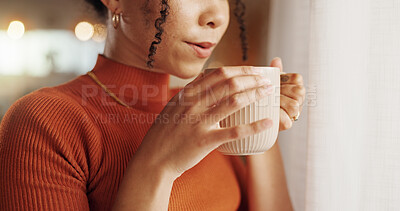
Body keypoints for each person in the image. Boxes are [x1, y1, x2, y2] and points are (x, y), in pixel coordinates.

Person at [0, 0, 305, 210]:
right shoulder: (41, 123)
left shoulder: (205, 109)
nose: (217, 16)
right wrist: (158, 166)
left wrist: (261, 121)